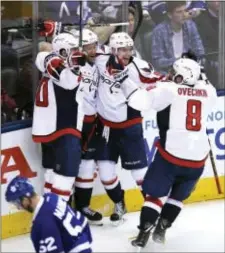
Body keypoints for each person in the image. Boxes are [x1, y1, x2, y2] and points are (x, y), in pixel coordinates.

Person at [117, 57, 217, 249]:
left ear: (180, 76)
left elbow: (139, 101)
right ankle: (162, 228)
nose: (170, 74)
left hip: (172, 156)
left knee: (154, 195)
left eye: (173, 72)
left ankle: (143, 232)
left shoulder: (169, 90)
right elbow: (201, 81)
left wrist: (123, 80)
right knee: (177, 197)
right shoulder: (209, 92)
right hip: (197, 160)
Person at [93, 32, 162, 224]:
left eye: (129, 49)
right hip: (106, 127)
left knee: (140, 174)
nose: (127, 53)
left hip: (130, 126)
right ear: (113, 50)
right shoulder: (100, 57)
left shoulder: (139, 67)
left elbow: (159, 82)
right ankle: (119, 203)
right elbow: (87, 43)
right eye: (122, 49)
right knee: (106, 175)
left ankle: (153, 211)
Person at [32, 32, 86, 201]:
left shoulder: (49, 59)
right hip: (63, 126)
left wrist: (72, 64)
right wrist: (70, 64)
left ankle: (49, 210)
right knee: (65, 172)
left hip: (51, 127)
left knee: (53, 172)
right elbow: (67, 82)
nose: (76, 53)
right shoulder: (51, 61)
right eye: (71, 50)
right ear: (62, 52)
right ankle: (57, 213)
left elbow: (44, 57)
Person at [5, 176, 93, 253]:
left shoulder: (41, 223)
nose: (18, 207)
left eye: (17, 203)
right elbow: (83, 221)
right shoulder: (52, 197)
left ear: (25, 199)